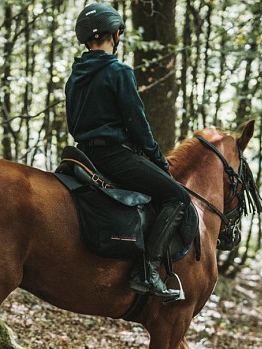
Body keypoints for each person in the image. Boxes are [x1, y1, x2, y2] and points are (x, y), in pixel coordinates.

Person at [65, 3, 190, 302]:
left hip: (83, 155)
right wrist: (158, 159)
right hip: (114, 156)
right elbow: (137, 123)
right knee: (178, 197)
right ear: (115, 33)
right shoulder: (118, 71)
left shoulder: (74, 76)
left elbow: (73, 122)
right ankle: (147, 272)